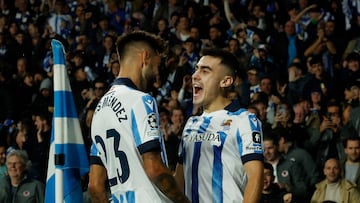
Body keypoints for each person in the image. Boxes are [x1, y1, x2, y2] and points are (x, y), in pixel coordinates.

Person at [88, 31, 189, 203]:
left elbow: (95, 185)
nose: (157, 72)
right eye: (156, 65)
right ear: (145, 57)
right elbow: (154, 168)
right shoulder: (141, 100)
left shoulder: (99, 109)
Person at [174, 48, 264, 202]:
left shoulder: (244, 120)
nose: (195, 76)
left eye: (205, 71)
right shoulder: (191, 124)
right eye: (196, 69)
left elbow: (256, 177)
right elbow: (179, 180)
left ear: (226, 81)